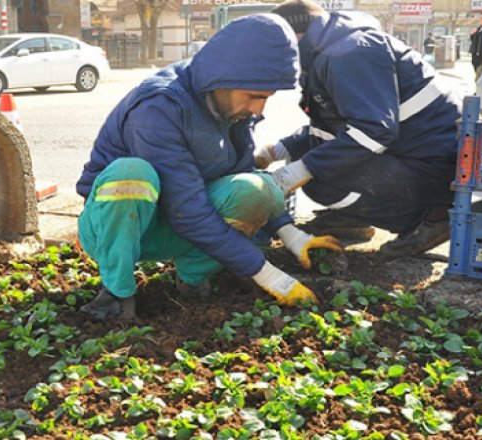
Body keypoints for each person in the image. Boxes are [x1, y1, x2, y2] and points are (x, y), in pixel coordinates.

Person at [75, 14, 342, 322]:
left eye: (266, 98)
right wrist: (267, 274)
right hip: (117, 228)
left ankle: (192, 280)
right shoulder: (159, 107)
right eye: (255, 96)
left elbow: (242, 176)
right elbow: (187, 211)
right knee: (131, 175)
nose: (258, 109)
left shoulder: (232, 108)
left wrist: (291, 234)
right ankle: (116, 294)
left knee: (258, 189)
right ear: (225, 78)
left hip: (177, 224)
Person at [259, 0, 462, 256]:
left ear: (295, 35)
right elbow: (330, 127)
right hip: (413, 153)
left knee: (320, 178)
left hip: (433, 167)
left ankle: (432, 219)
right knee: (313, 158)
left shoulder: (348, 54)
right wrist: (276, 150)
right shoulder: (329, 51)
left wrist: (302, 169)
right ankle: (355, 218)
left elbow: (374, 131)